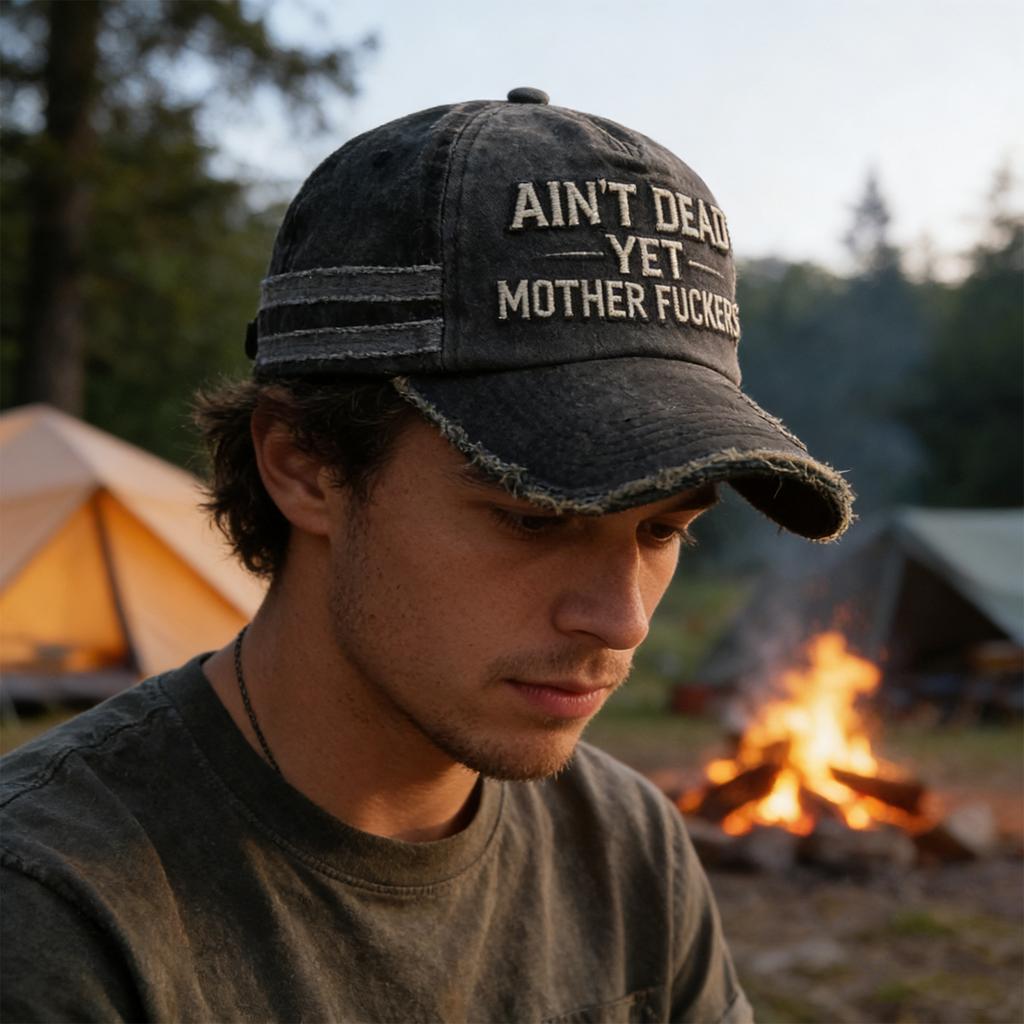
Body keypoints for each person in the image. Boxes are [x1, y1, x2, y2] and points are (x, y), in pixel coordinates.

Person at [0, 88, 852, 1023]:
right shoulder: (52, 905)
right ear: (303, 463)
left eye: (662, 530)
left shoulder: (626, 847)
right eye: (534, 517)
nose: (623, 619)